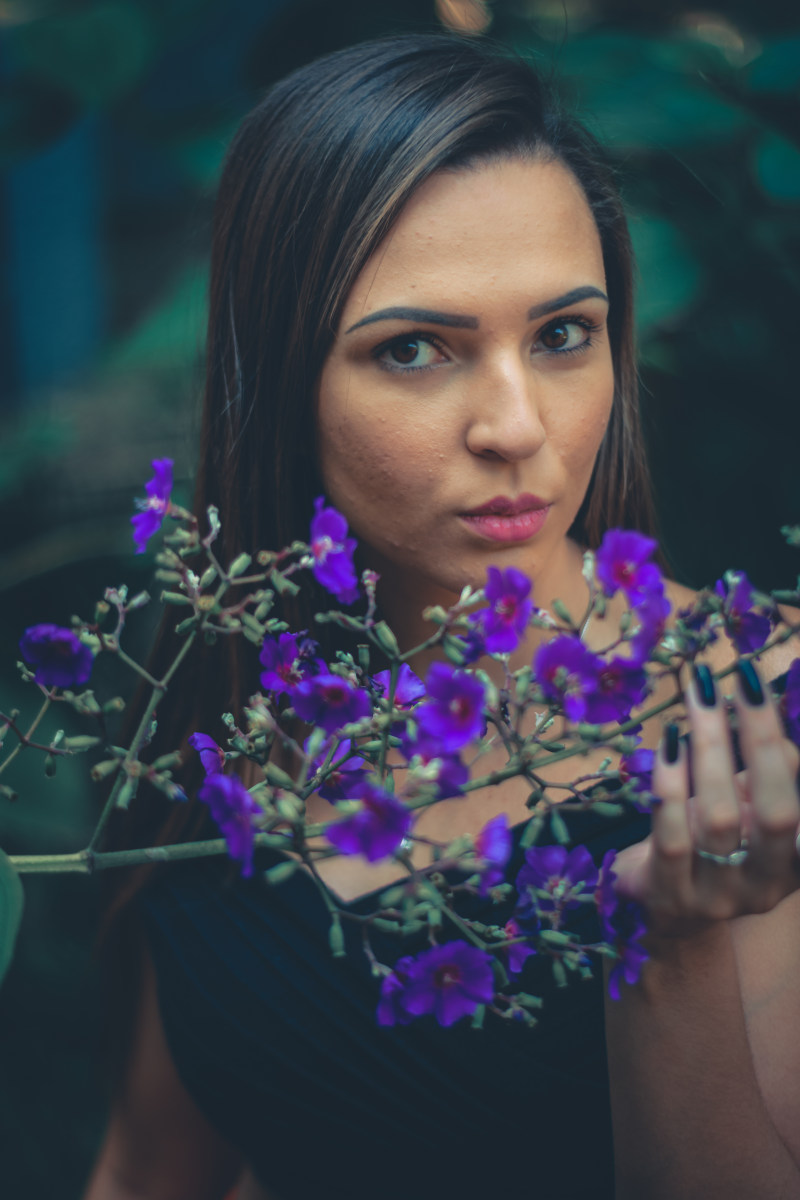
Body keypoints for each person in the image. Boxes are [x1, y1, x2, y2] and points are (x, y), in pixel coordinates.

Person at [83, 33, 800, 1200]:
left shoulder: (757, 724)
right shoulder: (224, 716)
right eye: (414, 350)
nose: (515, 426)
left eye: (562, 334)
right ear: (276, 373)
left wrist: (671, 949)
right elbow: (152, 1171)